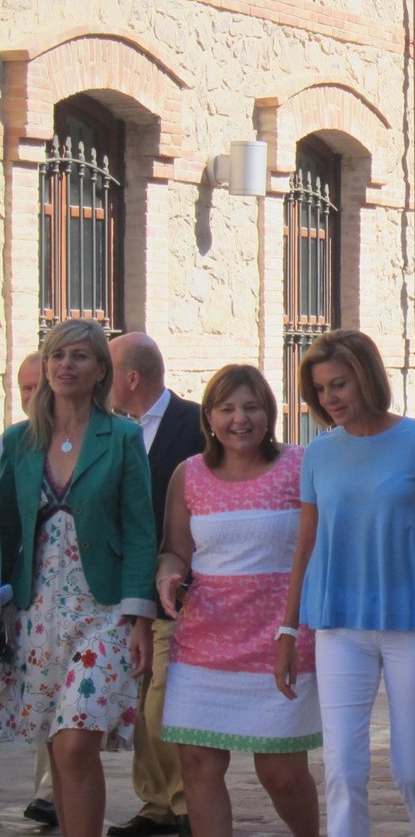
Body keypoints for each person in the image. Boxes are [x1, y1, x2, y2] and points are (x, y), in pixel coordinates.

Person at [274, 329, 415, 837]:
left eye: (339, 384)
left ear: (367, 377)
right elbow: (306, 545)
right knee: (341, 766)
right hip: (340, 626)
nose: (329, 398)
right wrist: (288, 630)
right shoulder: (318, 454)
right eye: (320, 389)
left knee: (413, 768)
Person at [0, 318, 157, 837]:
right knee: (56, 742)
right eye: (58, 355)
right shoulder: (19, 441)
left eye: (80, 356)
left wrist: (140, 617)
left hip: (103, 612)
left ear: (100, 370)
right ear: (46, 366)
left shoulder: (123, 437)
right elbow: (4, 529)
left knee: (75, 741)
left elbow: (140, 529)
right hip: (36, 612)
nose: (66, 365)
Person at [156, 365, 321, 837]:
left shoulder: (300, 465)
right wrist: (168, 575)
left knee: (281, 772)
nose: (239, 419)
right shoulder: (188, 474)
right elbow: (175, 551)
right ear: (209, 417)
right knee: (198, 764)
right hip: (203, 644)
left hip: (281, 639)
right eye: (226, 409)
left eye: (251, 407)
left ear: (269, 412)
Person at [107, 332, 205, 837]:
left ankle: (188, 805)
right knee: (141, 699)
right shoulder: (112, 431)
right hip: (131, 590)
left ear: (131, 378)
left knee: (161, 701)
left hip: (184, 589)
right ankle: (156, 805)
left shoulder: (195, 423)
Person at [11, 351, 59, 829]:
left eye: (36, 388)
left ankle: (51, 791)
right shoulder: (16, 445)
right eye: (25, 389)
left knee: (65, 706)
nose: (31, 397)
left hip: (80, 599)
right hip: (26, 595)